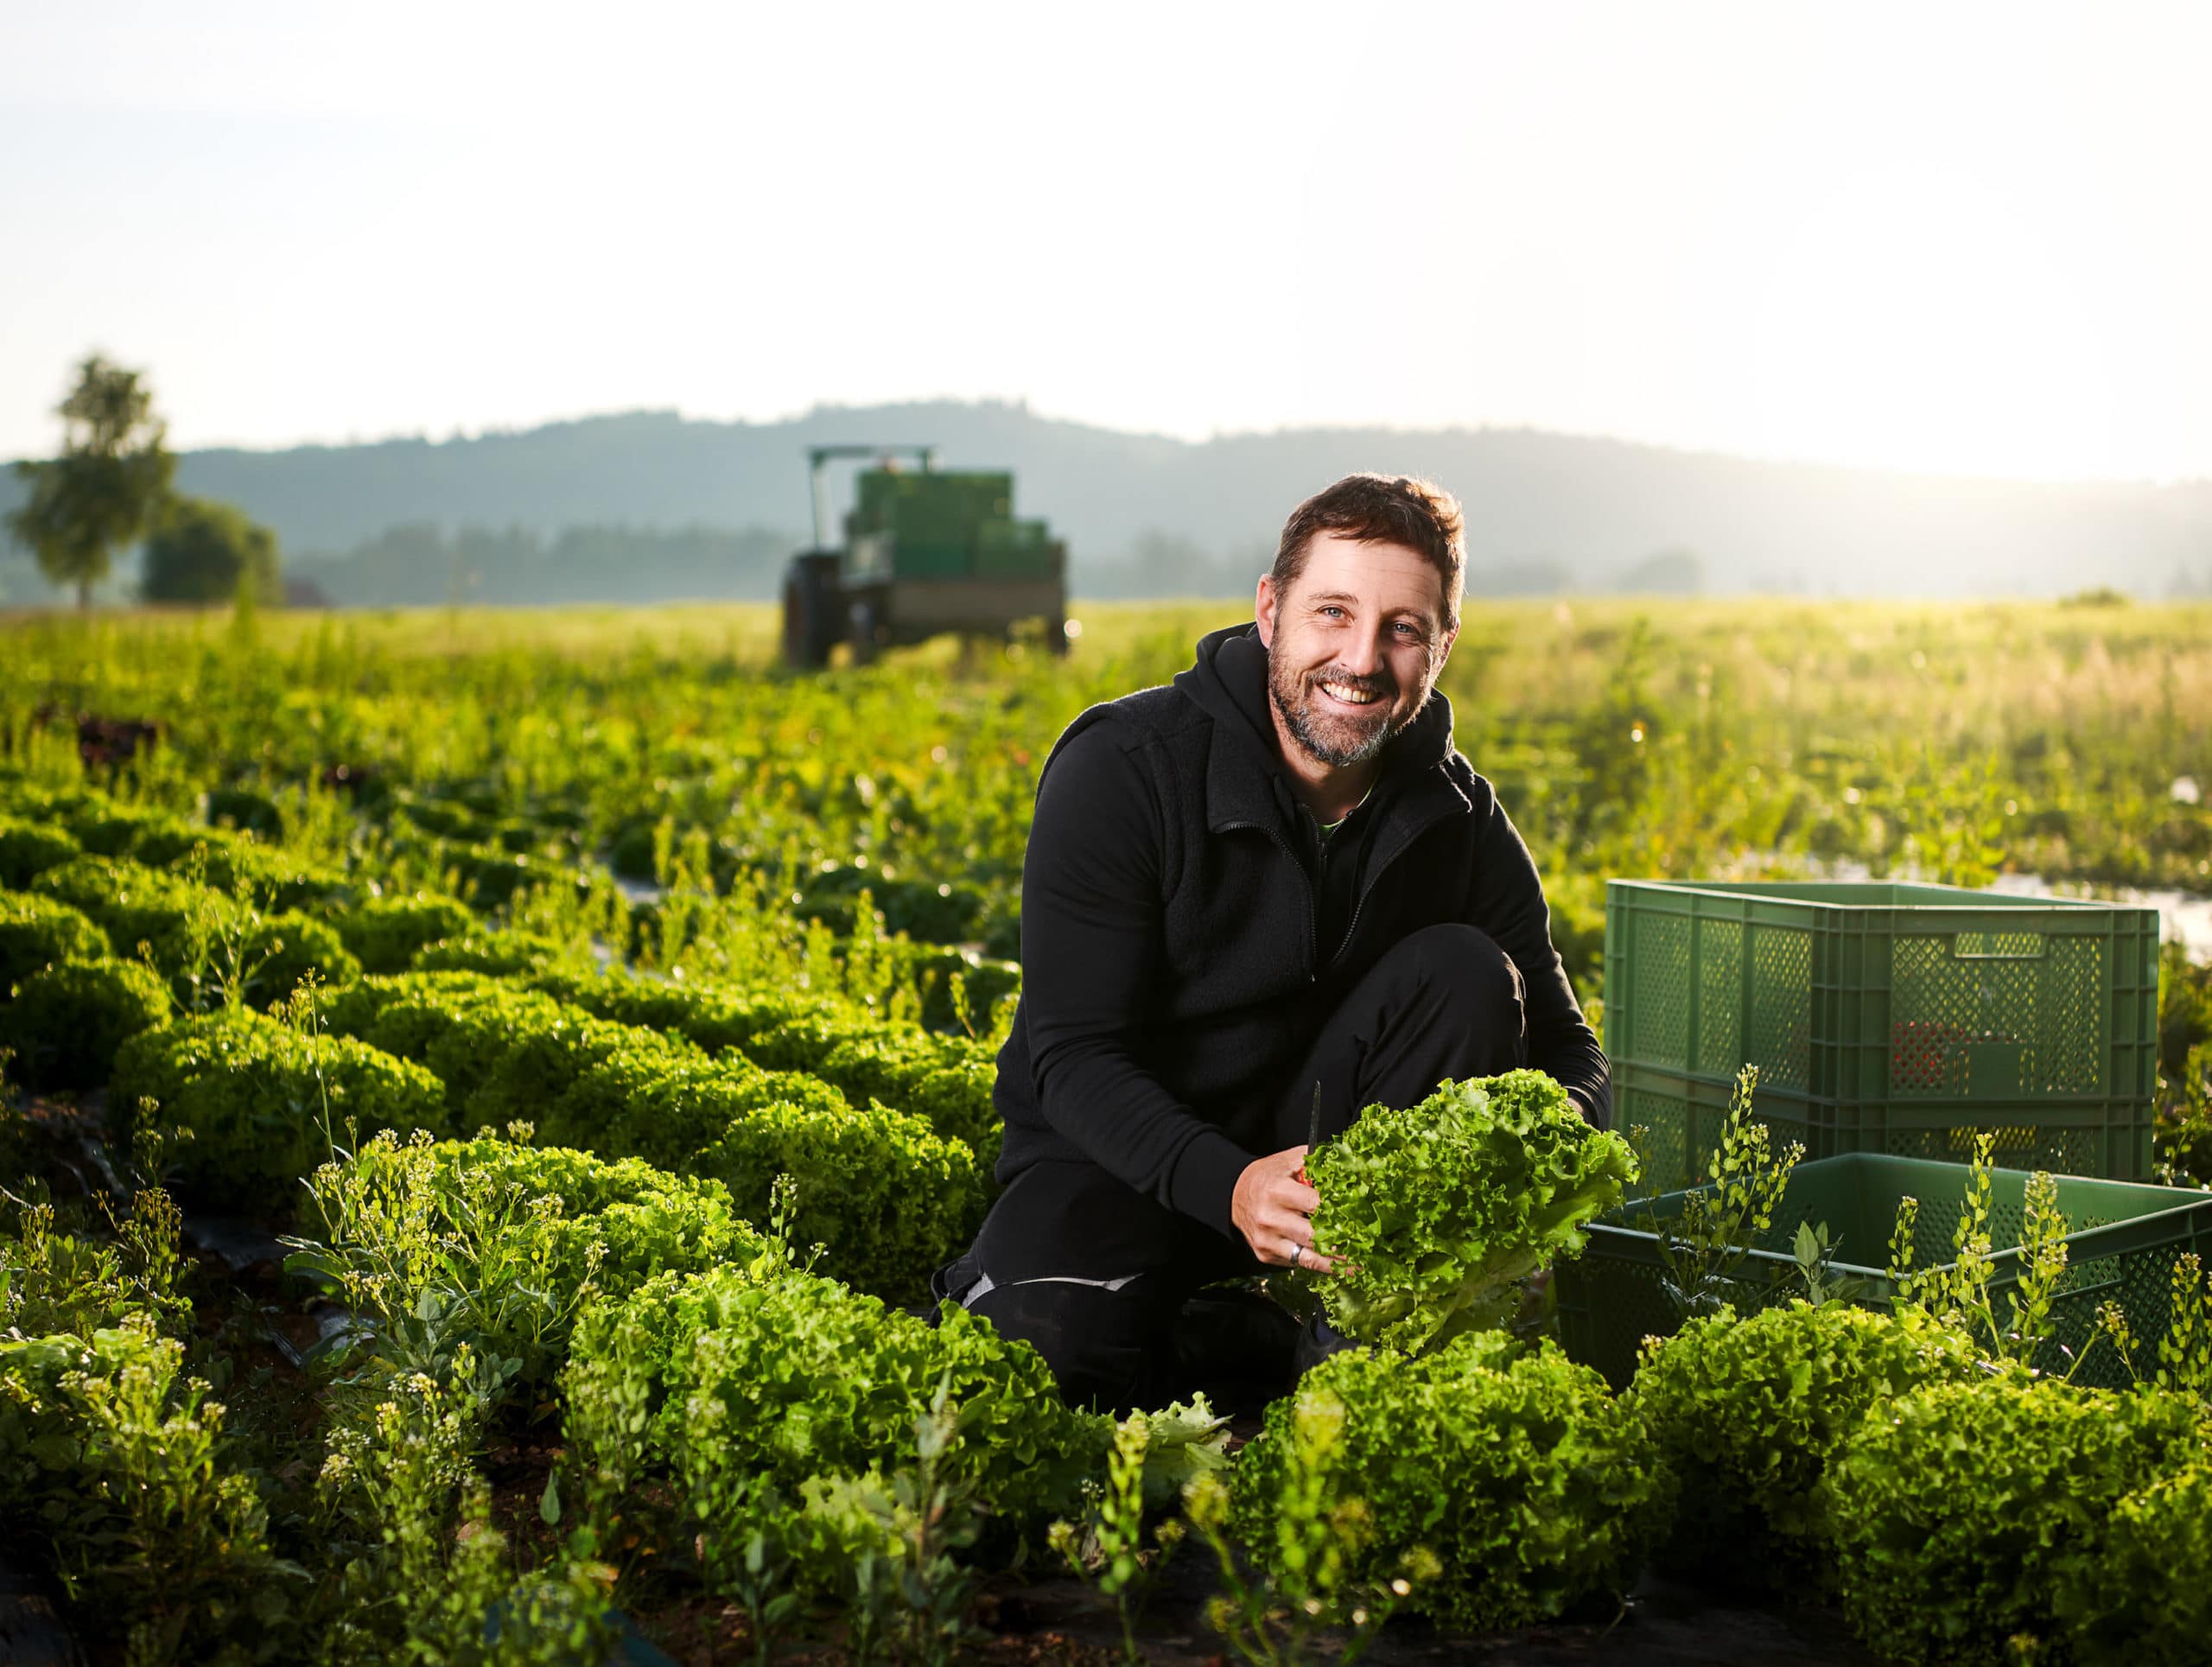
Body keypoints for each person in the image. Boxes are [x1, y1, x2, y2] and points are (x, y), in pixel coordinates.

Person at [931, 473, 1610, 1410]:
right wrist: (1227, 1185)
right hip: (1122, 1160)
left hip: (1321, 1181)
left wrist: (1549, 1153)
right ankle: (1242, 1328)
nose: (1361, 658)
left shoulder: (1459, 817)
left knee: (1466, 974)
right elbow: (1072, 1055)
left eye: (1402, 629)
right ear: (1269, 609)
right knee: (1038, 1364)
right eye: (1332, 613)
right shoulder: (1123, 771)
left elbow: (1571, 1050)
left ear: (1440, 646)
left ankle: (1346, 1331)